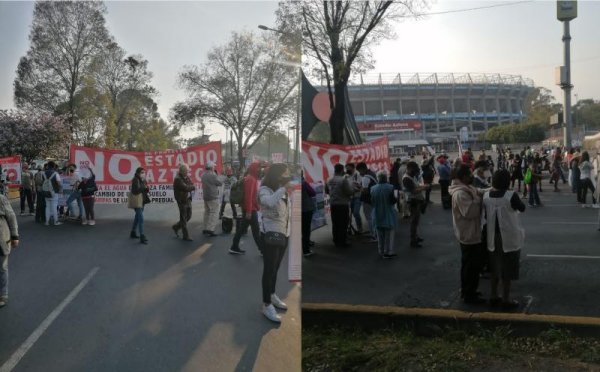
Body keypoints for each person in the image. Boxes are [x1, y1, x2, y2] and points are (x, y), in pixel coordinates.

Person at [483, 169, 526, 310]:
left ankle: (494, 296)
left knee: (494, 267)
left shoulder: (486, 195)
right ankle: (506, 299)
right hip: (508, 236)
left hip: (492, 236)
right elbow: (522, 208)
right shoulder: (510, 195)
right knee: (507, 269)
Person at [259, 163, 291, 323]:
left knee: (276, 268)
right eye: (286, 173)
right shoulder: (265, 189)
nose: (288, 176)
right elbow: (269, 202)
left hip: (284, 233)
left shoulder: (283, 190)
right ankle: (266, 304)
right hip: (270, 234)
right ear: (278, 175)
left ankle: (272, 294)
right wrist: (284, 188)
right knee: (269, 269)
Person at [449, 164, 486, 304]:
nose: (472, 176)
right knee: (470, 267)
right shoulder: (460, 193)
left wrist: (490, 190)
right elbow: (471, 212)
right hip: (468, 235)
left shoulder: (467, 188)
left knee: (473, 266)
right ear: (463, 177)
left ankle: (470, 290)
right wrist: (479, 199)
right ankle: (468, 294)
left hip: (473, 232)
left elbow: (478, 191)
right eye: (470, 174)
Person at [230, 162, 262, 255]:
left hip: (250, 208)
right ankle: (263, 250)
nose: (260, 170)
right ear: (254, 169)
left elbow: (252, 196)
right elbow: (249, 197)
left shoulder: (250, 178)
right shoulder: (251, 179)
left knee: (242, 229)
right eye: (258, 168)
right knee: (256, 231)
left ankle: (234, 247)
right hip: (250, 209)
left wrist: (256, 206)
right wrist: (249, 211)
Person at [370, 172, 398, 258]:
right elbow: (392, 201)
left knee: (380, 234)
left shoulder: (373, 188)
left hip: (377, 213)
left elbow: (372, 201)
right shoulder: (390, 187)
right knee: (389, 234)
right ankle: (388, 252)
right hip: (388, 212)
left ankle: (381, 251)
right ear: (386, 178)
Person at [325, 163, 354, 248]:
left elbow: (326, 191)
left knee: (335, 223)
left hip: (333, 204)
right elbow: (348, 192)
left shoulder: (329, 180)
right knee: (343, 223)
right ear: (342, 170)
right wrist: (354, 190)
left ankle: (336, 240)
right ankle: (342, 241)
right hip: (342, 204)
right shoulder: (343, 180)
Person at [0, 192, 19, 308]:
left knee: (2, 267)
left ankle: (3, 294)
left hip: (1, 238)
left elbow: (11, 217)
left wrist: (15, 236)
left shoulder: (1, 199)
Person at [402, 161, 427, 248]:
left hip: (416, 201)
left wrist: (421, 186)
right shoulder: (406, 179)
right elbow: (414, 191)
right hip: (413, 201)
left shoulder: (411, 176)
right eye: (414, 170)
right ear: (409, 169)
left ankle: (416, 236)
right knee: (414, 221)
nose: (415, 172)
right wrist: (424, 187)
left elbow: (416, 186)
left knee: (416, 221)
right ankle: (413, 240)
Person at [172, 164, 196, 241]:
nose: (188, 172)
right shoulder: (178, 179)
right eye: (187, 170)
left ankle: (176, 227)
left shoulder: (186, 177)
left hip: (188, 199)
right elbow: (186, 188)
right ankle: (185, 235)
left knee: (189, 216)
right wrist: (192, 187)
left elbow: (190, 184)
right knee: (183, 217)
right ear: (183, 171)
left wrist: (190, 186)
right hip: (182, 201)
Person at [356, 162, 378, 242]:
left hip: (367, 199)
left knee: (369, 218)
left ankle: (373, 235)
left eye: (359, 171)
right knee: (373, 217)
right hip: (373, 198)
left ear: (362, 169)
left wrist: (359, 188)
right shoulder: (372, 173)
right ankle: (374, 233)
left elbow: (365, 191)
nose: (359, 173)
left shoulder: (366, 177)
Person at [201, 161, 223, 237]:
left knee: (207, 212)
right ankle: (210, 229)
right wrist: (217, 175)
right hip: (213, 196)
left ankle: (205, 228)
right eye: (214, 166)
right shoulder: (213, 175)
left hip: (206, 196)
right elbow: (220, 183)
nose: (214, 167)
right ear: (211, 167)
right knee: (214, 213)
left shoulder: (203, 175)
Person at [130, 167, 150, 244]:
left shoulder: (143, 179)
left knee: (137, 217)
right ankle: (142, 236)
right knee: (141, 218)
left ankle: (133, 232)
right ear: (138, 173)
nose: (143, 174)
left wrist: (147, 188)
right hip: (137, 201)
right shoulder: (135, 180)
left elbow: (145, 189)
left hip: (142, 200)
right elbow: (135, 191)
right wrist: (143, 187)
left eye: (144, 172)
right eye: (142, 172)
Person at [345, 163, 363, 233]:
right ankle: (350, 227)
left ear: (353, 168)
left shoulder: (357, 175)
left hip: (357, 197)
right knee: (349, 214)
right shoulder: (346, 176)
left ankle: (360, 228)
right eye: (346, 168)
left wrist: (353, 189)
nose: (347, 170)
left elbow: (359, 186)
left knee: (356, 213)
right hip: (349, 198)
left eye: (348, 168)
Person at [301, 173, 316, 257]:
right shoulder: (303, 183)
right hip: (306, 209)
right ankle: (306, 250)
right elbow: (313, 192)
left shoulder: (290, 183)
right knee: (306, 230)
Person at [43, 161, 62, 226]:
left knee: (47, 207)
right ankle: (55, 221)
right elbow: (59, 183)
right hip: (54, 192)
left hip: (46, 191)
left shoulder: (43, 173)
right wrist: (60, 189)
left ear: (47, 166)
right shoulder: (56, 173)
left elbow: (41, 182)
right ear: (54, 166)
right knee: (54, 207)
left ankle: (47, 222)